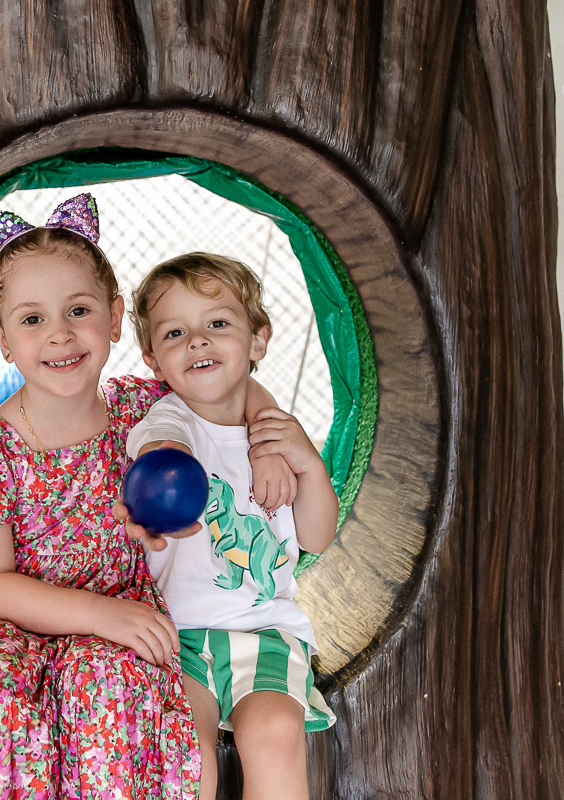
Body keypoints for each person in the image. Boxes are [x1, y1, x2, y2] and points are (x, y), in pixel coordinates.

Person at [0, 195, 301, 800]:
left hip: (123, 605)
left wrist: (268, 436)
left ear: (117, 317)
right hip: (12, 619)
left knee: (115, 683)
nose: (60, 335)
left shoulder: (140, 408)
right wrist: (102, 614)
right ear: (0, 337)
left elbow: (226, 378)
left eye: (78, 310)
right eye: (32, 319)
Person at [120, 252, 339, 800]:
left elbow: (316, 537)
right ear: (153, 359)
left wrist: (307, 465)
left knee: (276, 736)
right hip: (180, 636)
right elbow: (159, 444)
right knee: (185, 754)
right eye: (175, 333)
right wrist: (164, 470)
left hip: (265, 629)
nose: (197, 340)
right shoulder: (171, 419)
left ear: (258, 341)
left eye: (217, 324)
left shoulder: (281, 433)